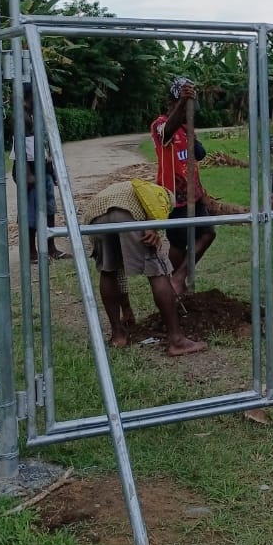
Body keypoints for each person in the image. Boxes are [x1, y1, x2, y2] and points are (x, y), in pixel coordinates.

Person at [83, 179, 206, 356]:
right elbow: (155, 206)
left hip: (97, 217)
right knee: (157, 272)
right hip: (128, 214)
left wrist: (127, 310)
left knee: (109, 271)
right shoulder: (163, 193)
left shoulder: (127, 187)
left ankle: (118, 336)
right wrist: (152, 227)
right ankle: (176, 341)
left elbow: (119, 272)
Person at [150, 77, 216, 295]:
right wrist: (182, 106)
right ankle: (177, 287)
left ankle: (179, 278)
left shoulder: (186, 127)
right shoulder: (160, 124)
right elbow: (167, 131)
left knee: (207, 233)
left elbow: (200, 154)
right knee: (178, 244)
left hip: (194, 195)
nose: (190, 110)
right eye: (185, 105)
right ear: (173, 102)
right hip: (173, 196)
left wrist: (190, 131)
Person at [12, 84, 67, 263]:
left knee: (49, 208)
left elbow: (44, 144)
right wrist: (26, 174)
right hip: (30, 170)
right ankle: (30, 251)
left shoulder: (39, 114)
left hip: (44, 169)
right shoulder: (22, 115)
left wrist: (52, 169)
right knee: (31, 211)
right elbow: (19, 147)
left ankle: (51, 247)